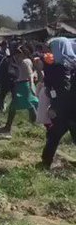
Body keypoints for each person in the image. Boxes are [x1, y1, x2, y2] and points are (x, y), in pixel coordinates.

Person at [41, 37, 76, 169]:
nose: (50, 52)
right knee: (55, 134)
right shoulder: (72, 64)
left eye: (52, 48)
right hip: (71, 108)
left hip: (65, 109)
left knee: (54, 134)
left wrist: (55, 106)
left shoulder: (61, 67)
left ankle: (46, 161)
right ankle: (46, 160)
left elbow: (62, 90)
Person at [3, 44, 38, 135]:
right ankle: (33, 125)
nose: (17, 54)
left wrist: (31, 85)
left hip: (23, 85)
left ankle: (33, 125)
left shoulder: (25, 62)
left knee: (28, 105)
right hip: (22, 84)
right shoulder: (26, 60)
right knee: (22, 105)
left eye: (19, 53)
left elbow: (30, 74)